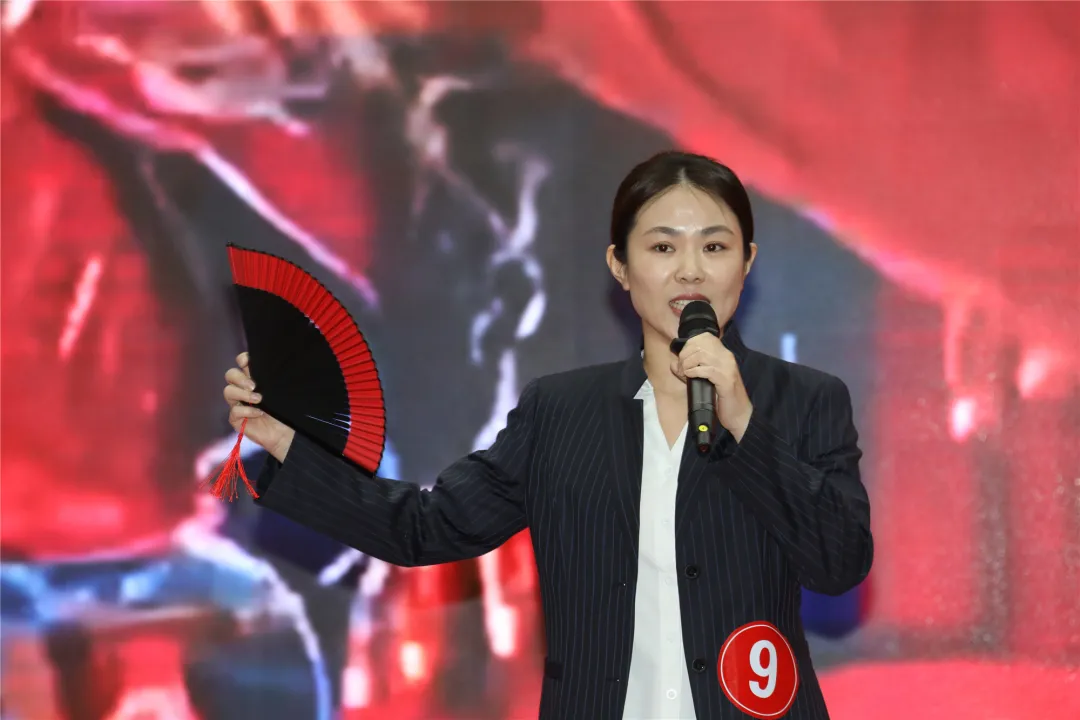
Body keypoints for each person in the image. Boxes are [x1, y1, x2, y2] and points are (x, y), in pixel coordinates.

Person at [221, 150, 874, 720]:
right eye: (662, 247)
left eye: (715, 246)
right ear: (620, 266)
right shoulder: (561, 412)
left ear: (747, 262)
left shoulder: (806, 401)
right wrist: (284, 442)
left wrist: (745, 424)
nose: (690, 272)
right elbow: (423, 527)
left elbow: (838, 564)